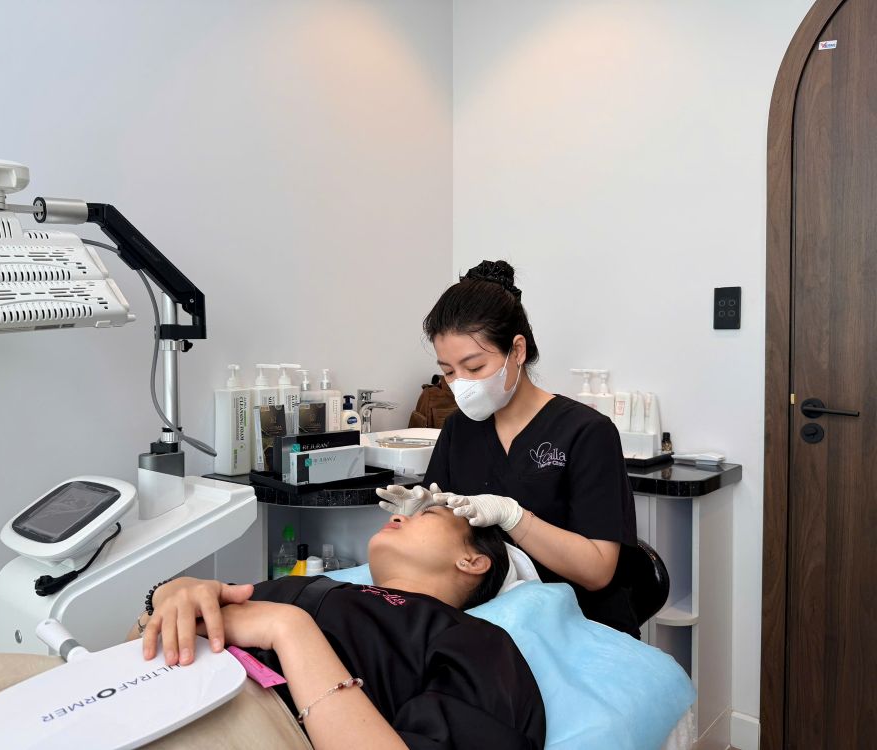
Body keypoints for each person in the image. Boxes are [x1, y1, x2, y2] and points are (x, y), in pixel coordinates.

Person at [129, 505, 546, 750]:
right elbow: (135, 649)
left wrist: (288, 629)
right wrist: (169, 598)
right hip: (137, 710)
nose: (398, 514)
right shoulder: (303, 585)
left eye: (428, 513)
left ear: (472, 561)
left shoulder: (476, 640)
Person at [378, 260, 640, 637]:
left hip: (579, 629)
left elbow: (597, 571)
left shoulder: (587, 432)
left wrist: (513, 517)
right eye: (448, 371)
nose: (460, 384)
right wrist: (424, 517)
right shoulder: (459, 430)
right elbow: (452, 542)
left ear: (517, 350)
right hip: (494, 624)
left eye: (474, 367)